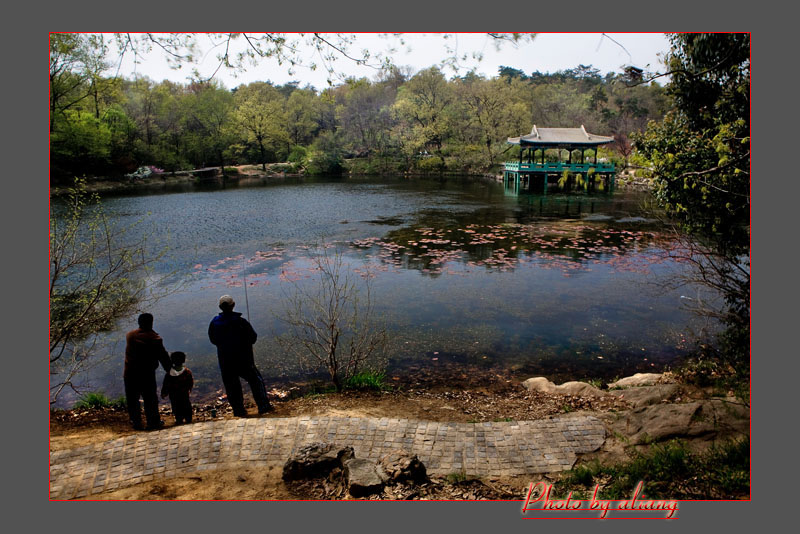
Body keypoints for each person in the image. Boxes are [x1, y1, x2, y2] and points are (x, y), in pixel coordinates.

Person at [208, 295, 272, 416]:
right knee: (255, 381)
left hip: (225, 361)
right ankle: (263, 406)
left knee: (232, 386)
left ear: (220, 307)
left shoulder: (214, 323)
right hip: (244, 360)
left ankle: (239, 411)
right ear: (233, 305)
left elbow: (213, 340)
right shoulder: (241, 322)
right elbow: (253, 338)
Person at [124, 313, 171, 430]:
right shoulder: (155, 339)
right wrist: (170, 370)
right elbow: (163, 358)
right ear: (151, 322)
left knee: (132, 398)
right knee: (150, 399)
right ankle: (153, 422)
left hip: (130, 373)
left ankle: (136, 422)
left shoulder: (130, 336)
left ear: (139, 323)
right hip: (146, 374)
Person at [161, 351, 194, 424]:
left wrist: (164, 392)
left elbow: (166, 384)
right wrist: (189, 389)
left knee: (176, 406)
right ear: (184, 360)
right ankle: (188, 418)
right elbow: (190, 382)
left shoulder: (169, 373)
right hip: (184, 393)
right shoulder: (187, 371)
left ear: (172, 360)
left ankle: (179, 418)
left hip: (174, 394)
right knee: (186, 404)